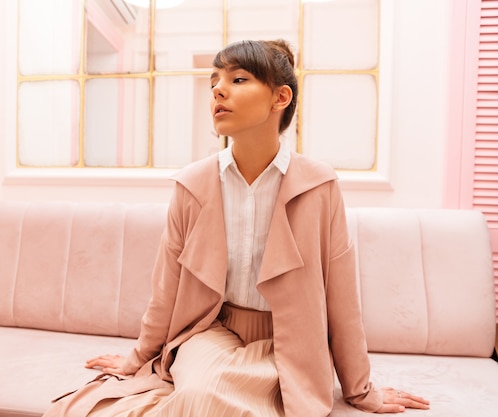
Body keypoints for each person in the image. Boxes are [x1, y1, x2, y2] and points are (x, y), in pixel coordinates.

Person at [43, 39, 431, 417]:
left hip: (289, 343)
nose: (217, 90)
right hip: (209, 334)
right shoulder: (192, 185)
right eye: (214, 81)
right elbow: (167, 289)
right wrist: (137, 358)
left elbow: (342, 298)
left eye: (238, 79)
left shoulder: (319, 186)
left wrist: (360, 389)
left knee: (223, 397)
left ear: (281, 98)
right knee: (203, 392)